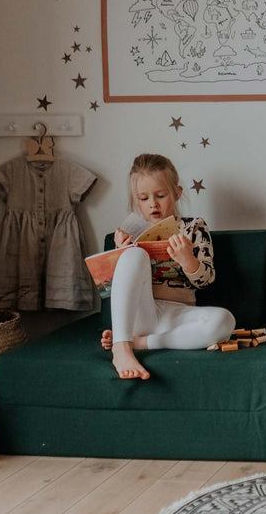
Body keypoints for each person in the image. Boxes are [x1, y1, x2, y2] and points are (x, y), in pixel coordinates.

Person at [101, 153, 236, 380]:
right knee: (133, 256)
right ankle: (121, 347)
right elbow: (110, 291)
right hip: (142, 313)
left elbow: (206, 279)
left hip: (179, 314)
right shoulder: (128, 232)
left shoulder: (194, 227)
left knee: (225, 321)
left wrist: (187, 260)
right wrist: (120, 255)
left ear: (176, 193)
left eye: (160, 195)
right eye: (143, 198)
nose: (152, 203)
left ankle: (139, 343)